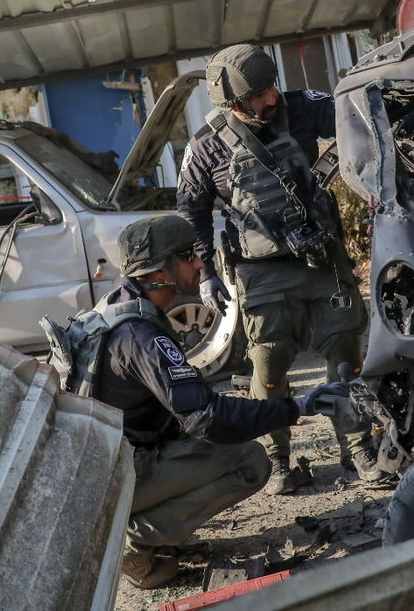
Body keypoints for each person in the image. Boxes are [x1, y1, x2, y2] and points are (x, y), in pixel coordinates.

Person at [85, 214, 352, 590]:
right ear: (160, 268)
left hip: (107, 470)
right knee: (249, 461)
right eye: (187, 255)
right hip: (121, 477)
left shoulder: (117, 307)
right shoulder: (141, 336)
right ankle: (133, 543)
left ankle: (146, 529)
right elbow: (208, 418)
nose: (199, 264)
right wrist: (299, 407)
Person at [176, 43, 382, 495]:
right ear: (232, 102)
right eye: (259, 94)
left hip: (322, 259)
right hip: (261, 272)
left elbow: (360, 115)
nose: (272, 99)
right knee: (268, 367)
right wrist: (206, 272)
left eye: (272, 86)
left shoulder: (303, 108)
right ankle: (277, 459)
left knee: (344, 354)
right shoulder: (206, 146)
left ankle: (358, 449)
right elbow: (191, 212)